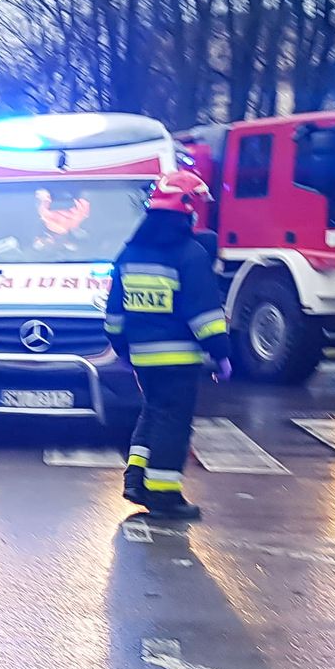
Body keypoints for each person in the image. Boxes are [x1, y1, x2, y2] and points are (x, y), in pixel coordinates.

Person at [105, 171, 232, 521]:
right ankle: (164, 497)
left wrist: (121, 347)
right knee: (174, 423)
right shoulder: (189, 254)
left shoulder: (130, 253)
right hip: (179, 358)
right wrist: (221, 352)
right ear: (187, 209)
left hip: (143, 357)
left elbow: (115, 311)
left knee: (153, 413)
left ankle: (136, 478)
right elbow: (204, 311)